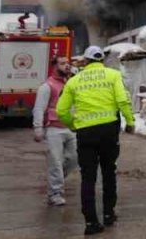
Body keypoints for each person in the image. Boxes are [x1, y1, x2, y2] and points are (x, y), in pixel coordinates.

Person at [56, 45, 135, 236]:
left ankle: (91, 222)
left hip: (85, 133)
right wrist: (130, 121)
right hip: (109, 132)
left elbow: (61, 110)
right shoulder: (113, 75)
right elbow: (122, 100)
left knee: (88, 177)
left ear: (85, 61)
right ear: (101, 60)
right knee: (109, 172)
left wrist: (73, 125)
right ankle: (108, 214)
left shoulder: (74, 81)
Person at [33, 56, 79, 206]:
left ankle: (56, 181)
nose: (67, 66)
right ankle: (55, 193)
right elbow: (39, 108)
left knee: (74, 159)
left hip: (71, 128)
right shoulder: (47, 86)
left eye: (68, 63)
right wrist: (38, 127)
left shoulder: (71, 83)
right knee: (56, 162)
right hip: (54, 128)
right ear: (54, 66)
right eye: (63, 63)